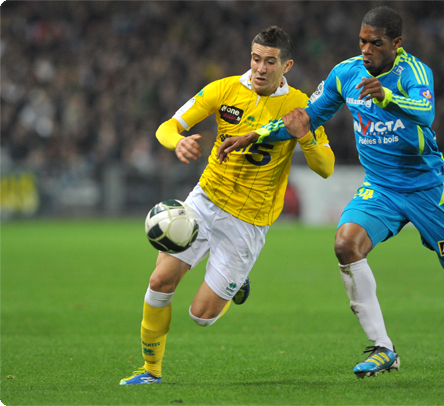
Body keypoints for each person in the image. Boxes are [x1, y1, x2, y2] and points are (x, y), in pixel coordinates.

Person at [217, 7, 444, 383]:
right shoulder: (346, 73)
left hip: (426, 188)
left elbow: (425, 112)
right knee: (346, 244)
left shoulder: (414, 72)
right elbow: (306, 117)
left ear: (396, 43)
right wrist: (255, 135)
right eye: (362, 41)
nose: (366, 49)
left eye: (375, 43)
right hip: (381, 188)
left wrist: (386, 96)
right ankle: (383, 347)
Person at [119, 26, 335, 385]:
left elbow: (326, 168)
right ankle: (150, 372)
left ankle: (238, 284)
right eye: (255, 59)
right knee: (159, 281)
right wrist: (177, 142)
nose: (260, 68)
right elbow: (167, 126)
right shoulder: (224, 89)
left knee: (201, 316)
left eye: (270, 62)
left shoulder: (300, 106)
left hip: (249, 220)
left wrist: (306, 136)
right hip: (205, 200)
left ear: (287, 66)